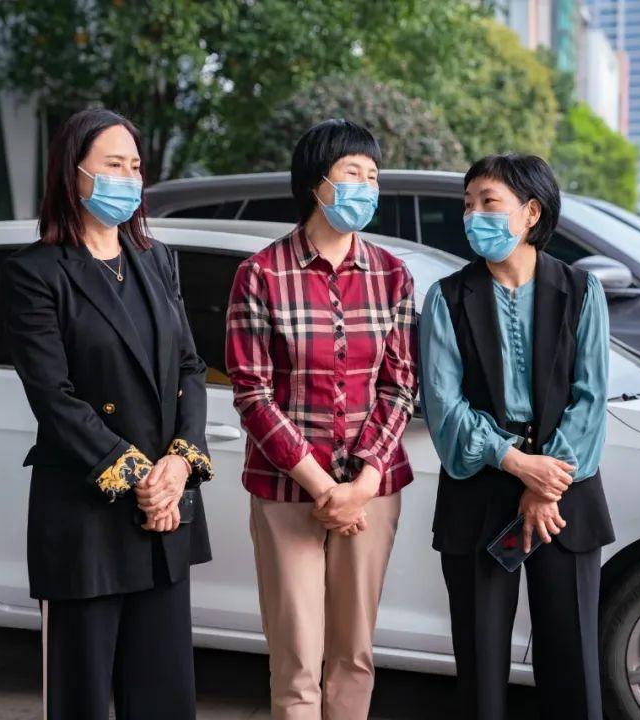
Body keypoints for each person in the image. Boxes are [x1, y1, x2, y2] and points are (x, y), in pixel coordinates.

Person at [1, 108, 213, 720]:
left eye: (135, 166)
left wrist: (180, 464)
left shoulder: (157, 259)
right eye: (113, 164)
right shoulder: (35, 272)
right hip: (88, 516)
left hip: (164, 514)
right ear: (74, 174)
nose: (128, 178)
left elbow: (191, 368)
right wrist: (141, 478)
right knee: (83, 697)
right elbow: (54, 396)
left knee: (165, 695)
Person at [225, 118, 418, 719]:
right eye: (352, 173)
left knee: (354, 656)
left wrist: (361, 483)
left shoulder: (392, 275)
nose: (367, 186)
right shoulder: (261, 274)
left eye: (373, 176)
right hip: (287, 490)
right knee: (297, 662)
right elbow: (252, 392)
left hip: (371, 490)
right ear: (317, 184)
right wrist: (322, 487)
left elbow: (400, 385)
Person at [420, 154, 616, 720]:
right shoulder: (447, 298)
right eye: (468, 205)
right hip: (480, 490)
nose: (473, 215)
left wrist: (544, 482)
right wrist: (516, 463)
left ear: (531, 212)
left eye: (489, 202)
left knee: (573, 662)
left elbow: (591, 399)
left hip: (563, 495)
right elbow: (444, 408)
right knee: (480, 667)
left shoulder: (581, 290)